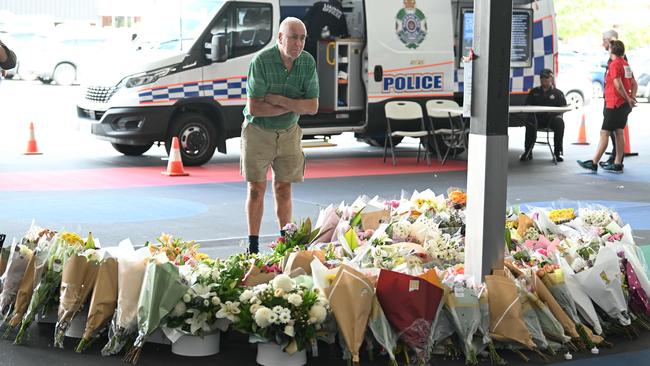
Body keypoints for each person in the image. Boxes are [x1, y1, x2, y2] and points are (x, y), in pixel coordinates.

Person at [241, 17, 319, 253]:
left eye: (303, 37)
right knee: (256, 189)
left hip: (289, 132)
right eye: (293, 37)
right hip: (258, 131)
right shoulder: (261, 61)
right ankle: (253, 247)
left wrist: (280, 101)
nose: (299, 43)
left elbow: (313, 107)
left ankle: (285, 244)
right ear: (280, 38)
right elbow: (255, 108)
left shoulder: (307, 62)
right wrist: (296, 104)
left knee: (283, 188)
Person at [578, 40, 637, 173]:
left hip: (614, 104)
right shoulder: (626, 64)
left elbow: (617, 84)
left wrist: (628, 98)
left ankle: (594, 162)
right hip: (623, 106)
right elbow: (634, 84)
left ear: (611, 51)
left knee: (604, 133)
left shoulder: (614, 64)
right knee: (619, 132)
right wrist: (631, 98)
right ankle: (617, 164)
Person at [520, 68, 567, 162]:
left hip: (551, 119)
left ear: (551, 79)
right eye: (542, 77)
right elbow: (527, 106)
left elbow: (563, 108)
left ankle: (557, 153)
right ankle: (528, 152)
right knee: (530, 121)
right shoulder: (534, 92)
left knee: (559, 122)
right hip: (537, 118)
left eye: (546, 77)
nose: (544, 80)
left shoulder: (558, 93)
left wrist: (555, 113)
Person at [600, 29, 625, 167]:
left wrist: (628, 99)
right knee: (616, 131)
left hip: (615, 102)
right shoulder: (615, 59)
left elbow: (621, 83)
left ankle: (616, 159)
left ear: (611, 41)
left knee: (609, 131)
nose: (602, 43)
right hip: (612, 100)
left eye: (604, 40)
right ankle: (616, 159)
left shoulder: (617, 60)